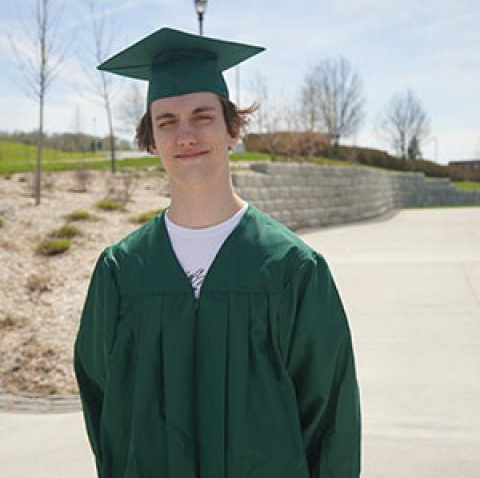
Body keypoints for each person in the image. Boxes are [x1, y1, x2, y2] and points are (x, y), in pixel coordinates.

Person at [73, 27, 361, 478]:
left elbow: (330, 420)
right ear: (151, 139)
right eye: (166, 121)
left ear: (232, 128)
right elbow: (102, 407)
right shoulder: (122, 272)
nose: (185, 134)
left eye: (201, 116)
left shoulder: (293, 270)